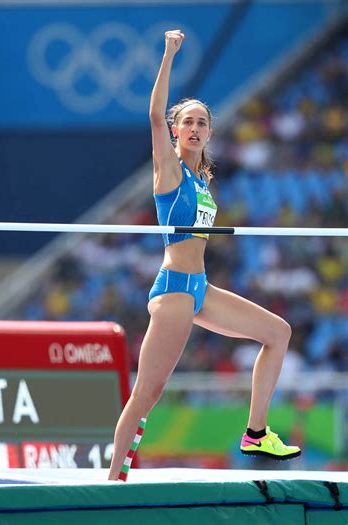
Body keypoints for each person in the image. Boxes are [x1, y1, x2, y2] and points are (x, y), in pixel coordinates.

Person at [108, 30, 301, 482]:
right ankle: (113, 479)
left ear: (210, 132)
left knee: (278, 332)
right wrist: (168, 54)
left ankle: (255, 432)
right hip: (175, 289)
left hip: (200, 289)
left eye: (201, 123)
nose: (193, 128)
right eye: (187, 122)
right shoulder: (170, 170)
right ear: (177, 131)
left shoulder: (203, 181)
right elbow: (155, 116)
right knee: (147, 394)